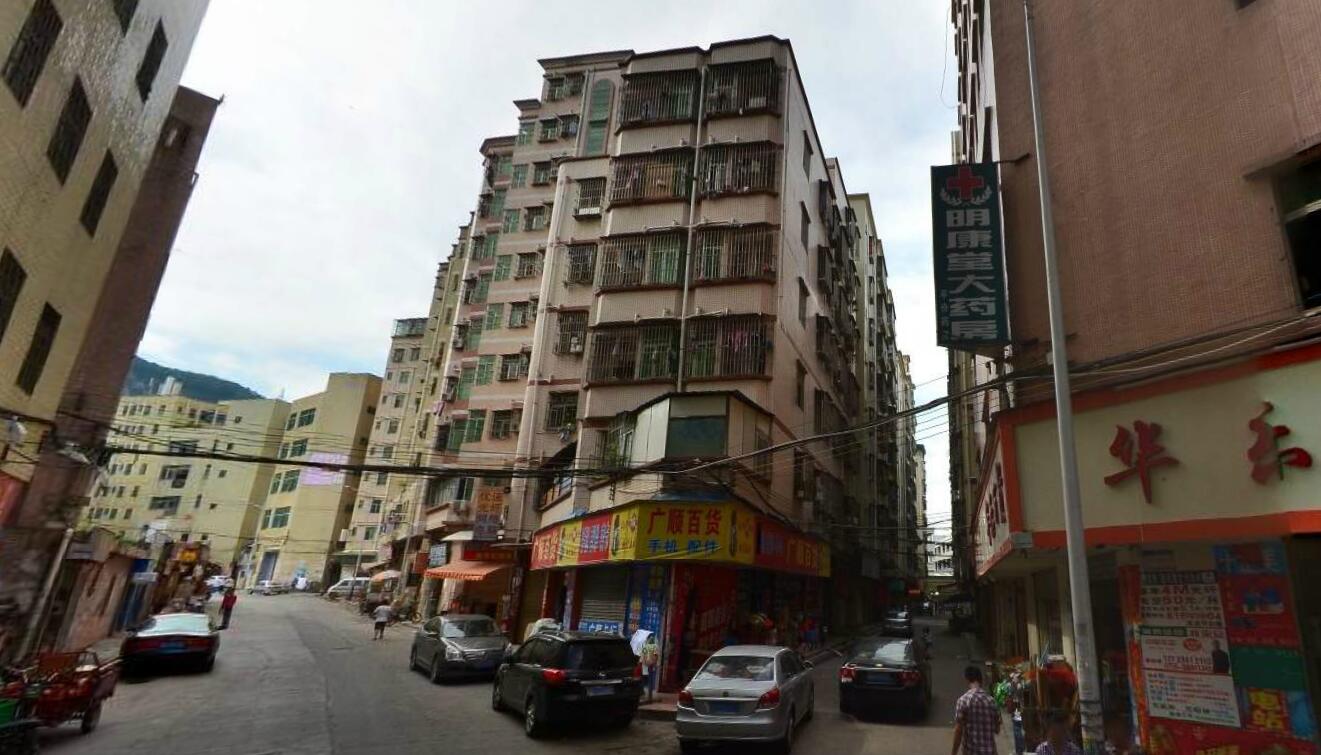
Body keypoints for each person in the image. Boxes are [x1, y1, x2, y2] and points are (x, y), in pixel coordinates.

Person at [952, 665, 1001, 755]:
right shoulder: (992, 701)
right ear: (981, 680)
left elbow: (958, 730)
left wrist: (953, 753)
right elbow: (997, 730)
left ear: (967, 680)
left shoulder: (963, 701)